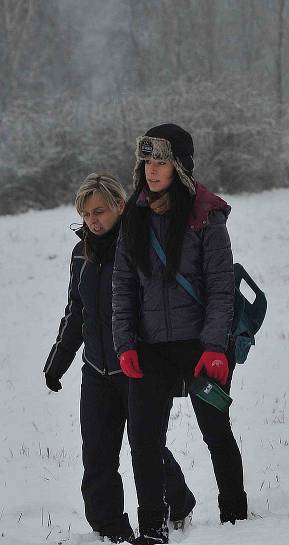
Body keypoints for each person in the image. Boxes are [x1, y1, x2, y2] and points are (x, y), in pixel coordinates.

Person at [113, 124, 246, 544]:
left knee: (216, 432)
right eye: (147, 162)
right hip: (151, 347)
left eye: (161, 163)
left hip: (199, 345)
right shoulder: (132, 215)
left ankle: (236, 518)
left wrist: (214, 347)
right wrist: (125, 343)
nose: (151, 172)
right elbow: (123, 287)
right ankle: (152, 527)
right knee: (144, 441)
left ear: (180, 166)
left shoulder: (206, 215)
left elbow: (222, 287)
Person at [44, 174, 195, 543]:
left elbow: (160, 308)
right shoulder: (81, 253)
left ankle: (178, 501)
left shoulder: (140, 244)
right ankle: (109, 528)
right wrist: (58, 361)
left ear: (120, 206)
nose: (93, 220)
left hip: (138, 366)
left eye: (100, 211)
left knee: (148, 448)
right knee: (96, 453)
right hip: (96, 369)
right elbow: (76, 309)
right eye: (86, 213)